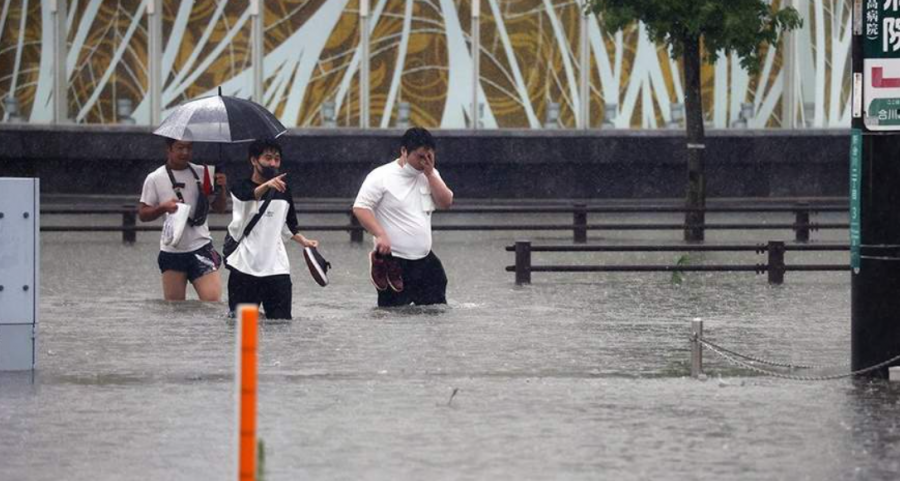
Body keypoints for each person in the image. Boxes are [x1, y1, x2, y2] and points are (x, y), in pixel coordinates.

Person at [352, 127, 454, 307]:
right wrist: (380, 234)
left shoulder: (429, 174)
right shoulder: (381, 176)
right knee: (395, 314)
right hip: (394, 262)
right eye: (420, 156)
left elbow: (446, 202)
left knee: (437, 310)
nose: (424, 162)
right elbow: (361, 208)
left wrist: (430, 174)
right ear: (404, 151)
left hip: (424, 259)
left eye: (429, 156)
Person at [225, 138, 319, 319]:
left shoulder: (283, 190)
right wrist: (266, 186)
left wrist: (304, 241)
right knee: (245, 329)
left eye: (277, 159)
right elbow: (247, 200)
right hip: (244, 268)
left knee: (281, 326)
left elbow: (287, 225)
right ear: (254, 160)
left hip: (277, 269)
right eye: (268, 158)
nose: (273, 163)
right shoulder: (240, 187)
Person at [139, 138, 227, 301]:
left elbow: (220, 209)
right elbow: (143, 214)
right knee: (174, 308)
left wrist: (221, 188)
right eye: (180, 148)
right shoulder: (155, 178)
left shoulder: (204, 173)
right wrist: (163, 207)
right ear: (169, 149)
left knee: (212, 303)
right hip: (173, 250)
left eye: (189, 148)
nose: (185, 153)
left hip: (201, 247)